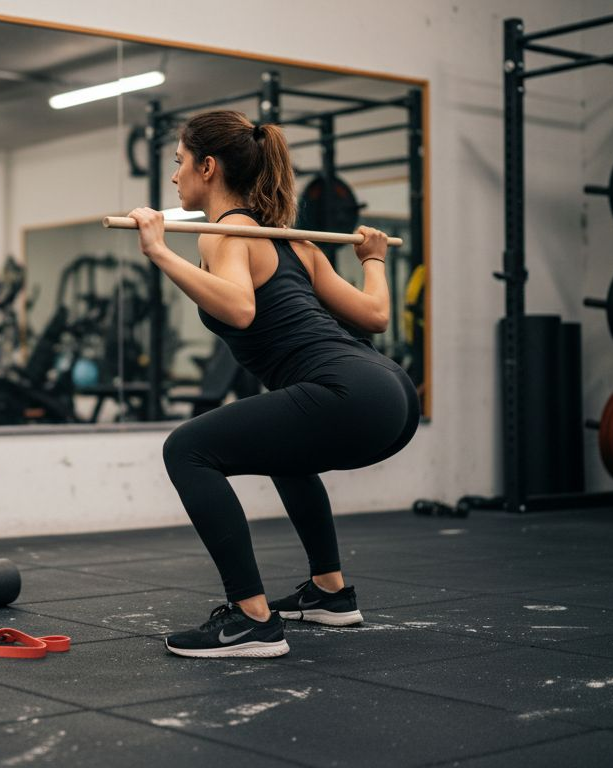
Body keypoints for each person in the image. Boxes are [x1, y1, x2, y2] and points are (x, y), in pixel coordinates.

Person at [127, 110, 419, 659]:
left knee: (186, 449)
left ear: (207, 167)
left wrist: (159, 251)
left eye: (179, 163)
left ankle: (250, 619)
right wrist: (373, 259)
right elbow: (376, 315)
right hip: (391, 393)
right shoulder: (295, 243)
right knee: (286, 452)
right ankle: (330, 592)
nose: (174, 177)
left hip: (350, 391)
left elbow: (238, 309)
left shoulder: (228, 232)